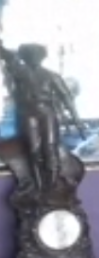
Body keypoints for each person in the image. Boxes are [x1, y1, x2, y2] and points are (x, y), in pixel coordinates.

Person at [0, 41, 86, 192]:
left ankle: (50, 186)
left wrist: (77, 121)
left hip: (46, 113)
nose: (32, 58)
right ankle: (40, 186)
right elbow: (8, 57)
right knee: (34, 150)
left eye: (35, 55)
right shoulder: (20, 73)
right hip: (29, 113)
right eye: (29, 55)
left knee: (49, 148)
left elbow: (67, 100)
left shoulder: (51, 76)